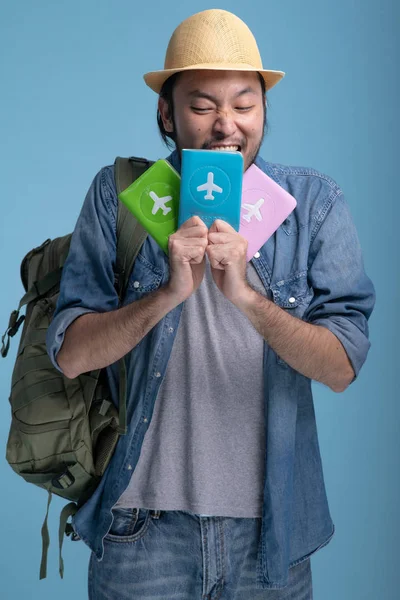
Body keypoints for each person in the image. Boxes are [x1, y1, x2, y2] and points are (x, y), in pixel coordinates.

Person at [46, 8, 375, 599]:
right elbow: (70, 355)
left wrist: (248, 297)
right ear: (167, 114)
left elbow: (343, 367)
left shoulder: (313, 203)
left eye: (245, 104)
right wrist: (169, 293)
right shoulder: (120, 197)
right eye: (202, 106)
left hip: (271, 534)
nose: (226, 124)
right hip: (139, 531)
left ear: (264, 111)